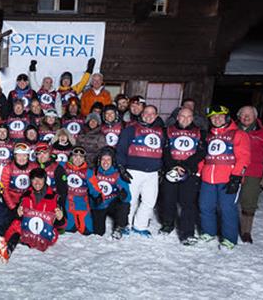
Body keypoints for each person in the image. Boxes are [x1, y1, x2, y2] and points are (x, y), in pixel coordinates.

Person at [198, 105, 251, 250]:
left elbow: (244, 157)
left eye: (220, 116)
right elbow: (205, 157)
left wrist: (236, 177)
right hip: (208, 178)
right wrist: (198, 172)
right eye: (213, 117)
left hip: (228, 178)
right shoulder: (210, 136)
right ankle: (209, 232)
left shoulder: (238, 134)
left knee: (227, 208)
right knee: (205, 206)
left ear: (227, 117)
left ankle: (229, 238)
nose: (216, 119)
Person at [0, 168, 65, 263]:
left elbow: (61, 225)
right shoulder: (25, 196)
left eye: (40, 179)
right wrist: (18, 214)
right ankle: (8, 250)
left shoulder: (55, 197)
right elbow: (21, 218)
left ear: (45, 180)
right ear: (30, 181)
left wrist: (60, 218)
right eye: (34, 179)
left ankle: (22, 240)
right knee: (15, 224)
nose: (37, 182)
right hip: (30, 228)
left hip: (45, 233)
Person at [116, 105, 164, 237]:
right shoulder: (130, 130)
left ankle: (140, 225)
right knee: (131, 200)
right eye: (146, 113)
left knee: (149, 201)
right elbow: (120, 149)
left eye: (152, 113)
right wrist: (121, 167)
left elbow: (164, 152)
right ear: (142, 114)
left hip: (152, 172)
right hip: (133, 171)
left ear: (156, 116)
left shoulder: (161, 132)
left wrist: (162, 168)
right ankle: (126, 225)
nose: (149, 116)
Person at [160, 107, 206, 245]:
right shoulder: (168, 131)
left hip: (189, 171)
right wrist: (173, 165)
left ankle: (187, 233)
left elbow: (201, 152)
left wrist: (185, 166)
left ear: (192, 118)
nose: (185, 119)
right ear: (177, 117)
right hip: (171, 170)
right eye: (182, 116)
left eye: (189, 116)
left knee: (188, 203)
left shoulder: (200, 133)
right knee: (168, 199)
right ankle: (168, 223)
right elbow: (165, 150)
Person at [236, 106, 263, 243]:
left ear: (255, 117)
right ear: (239, 116)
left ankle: (246, 231)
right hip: (231, 171)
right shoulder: (231, 130)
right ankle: (226, 228)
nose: (246, 117)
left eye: (249, 115)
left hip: (253, 173)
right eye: (243, 114)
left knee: (249, 202)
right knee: (226, 201)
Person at [88, 147, 131, 239]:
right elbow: (88, 187)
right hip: (99, 203)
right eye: (103, 159)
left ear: (112, 161)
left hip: (112, 203)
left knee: (123, 205)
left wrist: (124, 194)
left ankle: (120, 226)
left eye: (108, 159)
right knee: (98, 232)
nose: (105, 162)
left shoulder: (117, 173)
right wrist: (94, 197)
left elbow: (128, 196)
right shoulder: (93, 172)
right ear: (99, 160)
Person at [57, 146, 94, 235]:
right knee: (69, 228)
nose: (78, 159)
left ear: (84, 159)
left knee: (87, 230)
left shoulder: (88, 172)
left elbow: (95, 188)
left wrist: (99, 196)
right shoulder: (63, 166)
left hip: (82, 204)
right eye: (75, 156)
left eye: (81, 157)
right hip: (68, 203)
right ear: (71, 157)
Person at [0, 142, 38, 211]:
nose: (22, 158)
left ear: (28, 156)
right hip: (12, 201)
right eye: (19, 155)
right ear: (15, 156)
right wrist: (13, 207)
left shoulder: (34, 167)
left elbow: (38, 187)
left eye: (24, 155)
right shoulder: (8, 168)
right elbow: (4, 189)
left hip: (28, 200)